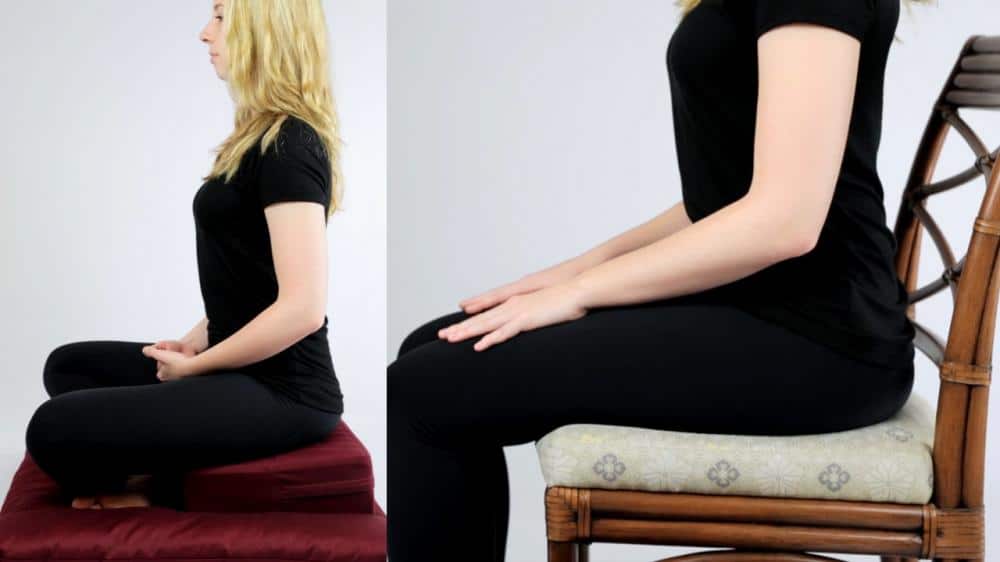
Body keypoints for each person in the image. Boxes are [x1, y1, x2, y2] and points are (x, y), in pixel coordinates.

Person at [387, 0, 928, 559]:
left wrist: (578, 294)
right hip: (769, 306)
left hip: (822, 338)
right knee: (427, 353)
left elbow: (785, 221)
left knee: (424, 391)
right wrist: (578, 269)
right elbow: (723, 200)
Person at [25, 0, 345, 510]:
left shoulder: (291, 144)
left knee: (52, 428)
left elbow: (303, 308)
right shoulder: (257, 136)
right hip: (236, 366)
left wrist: (198, 369)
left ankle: (154, 489)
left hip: (287, 392)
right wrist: (194, 343)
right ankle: (160, 469)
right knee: (70, 367)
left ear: (262, 31)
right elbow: (250, 282)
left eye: (220, 17)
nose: (204, 33)